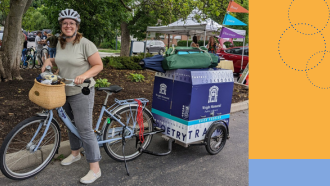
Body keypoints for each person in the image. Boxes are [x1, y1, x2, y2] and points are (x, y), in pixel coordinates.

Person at [41, 9, 103, 184]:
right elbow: (63, 61)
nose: (68, 26)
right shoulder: (61, 43)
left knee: (85, 129)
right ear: (61, 26)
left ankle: (95, 169)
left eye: (72, 23)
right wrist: (49, 61)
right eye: (65, 23)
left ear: (77, 26)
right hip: (64, 89)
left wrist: (84, 75)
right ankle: (75, 153)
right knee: (69, 124)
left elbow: (98, 65)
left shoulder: (85, 43)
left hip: (81, 91)